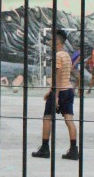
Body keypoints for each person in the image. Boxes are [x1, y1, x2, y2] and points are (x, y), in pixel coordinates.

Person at [30, 29, 79, 161]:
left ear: (57, 42)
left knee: (47, 118)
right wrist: (50, 90)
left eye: (51, 40)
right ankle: (73, 150)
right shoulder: (66, 55)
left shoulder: (58, 56)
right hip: (68, 90)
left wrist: (55, 95)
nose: (49, 42)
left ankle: (45, 148)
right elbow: (65, 75)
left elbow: (58, 75)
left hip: (59, 91)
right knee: (69, 119)